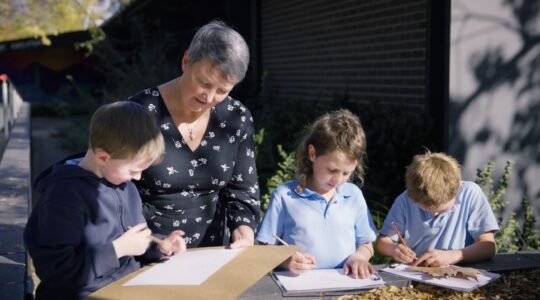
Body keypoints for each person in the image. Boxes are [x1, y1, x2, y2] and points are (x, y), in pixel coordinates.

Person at [24, 101, 187, 300]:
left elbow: (135, 240)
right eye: (133, 170)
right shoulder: (63, 196)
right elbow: (57, 273)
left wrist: (158, 245)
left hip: (129, 285)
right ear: (102, 157)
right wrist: (118, 250)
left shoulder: (125, 185)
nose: (137, 177)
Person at [127, 20, 260, 249]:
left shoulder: (236, 117)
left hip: (211, 254)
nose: (208, 98)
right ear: (186, 61)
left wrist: (243, 231)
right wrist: (153, 245)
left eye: (222, 90)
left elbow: (242, 191)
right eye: (204, 83)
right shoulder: (138, 113)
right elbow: (115, 194)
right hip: (148, 253)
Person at [256, 109, 378, 279]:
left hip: (345, 284)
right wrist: (286, 260)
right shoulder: (284, 196)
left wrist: (360, 257)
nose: (338, 179)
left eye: (346, 173)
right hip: (297, 287)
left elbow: (366, 243)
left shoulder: (353, 195)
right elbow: (264, 248)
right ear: (312, 153)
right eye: (332, 170)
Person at [375, 151, 500, 267]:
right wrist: (393, 249)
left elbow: (488, 246)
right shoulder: (405, 200)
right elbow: (382, 242)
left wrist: (454, 256)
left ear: (456, 190)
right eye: (425, 208)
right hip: (416, 272)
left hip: (459, 272)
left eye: (441, 209)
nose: (433, 213)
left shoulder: (470, 194)